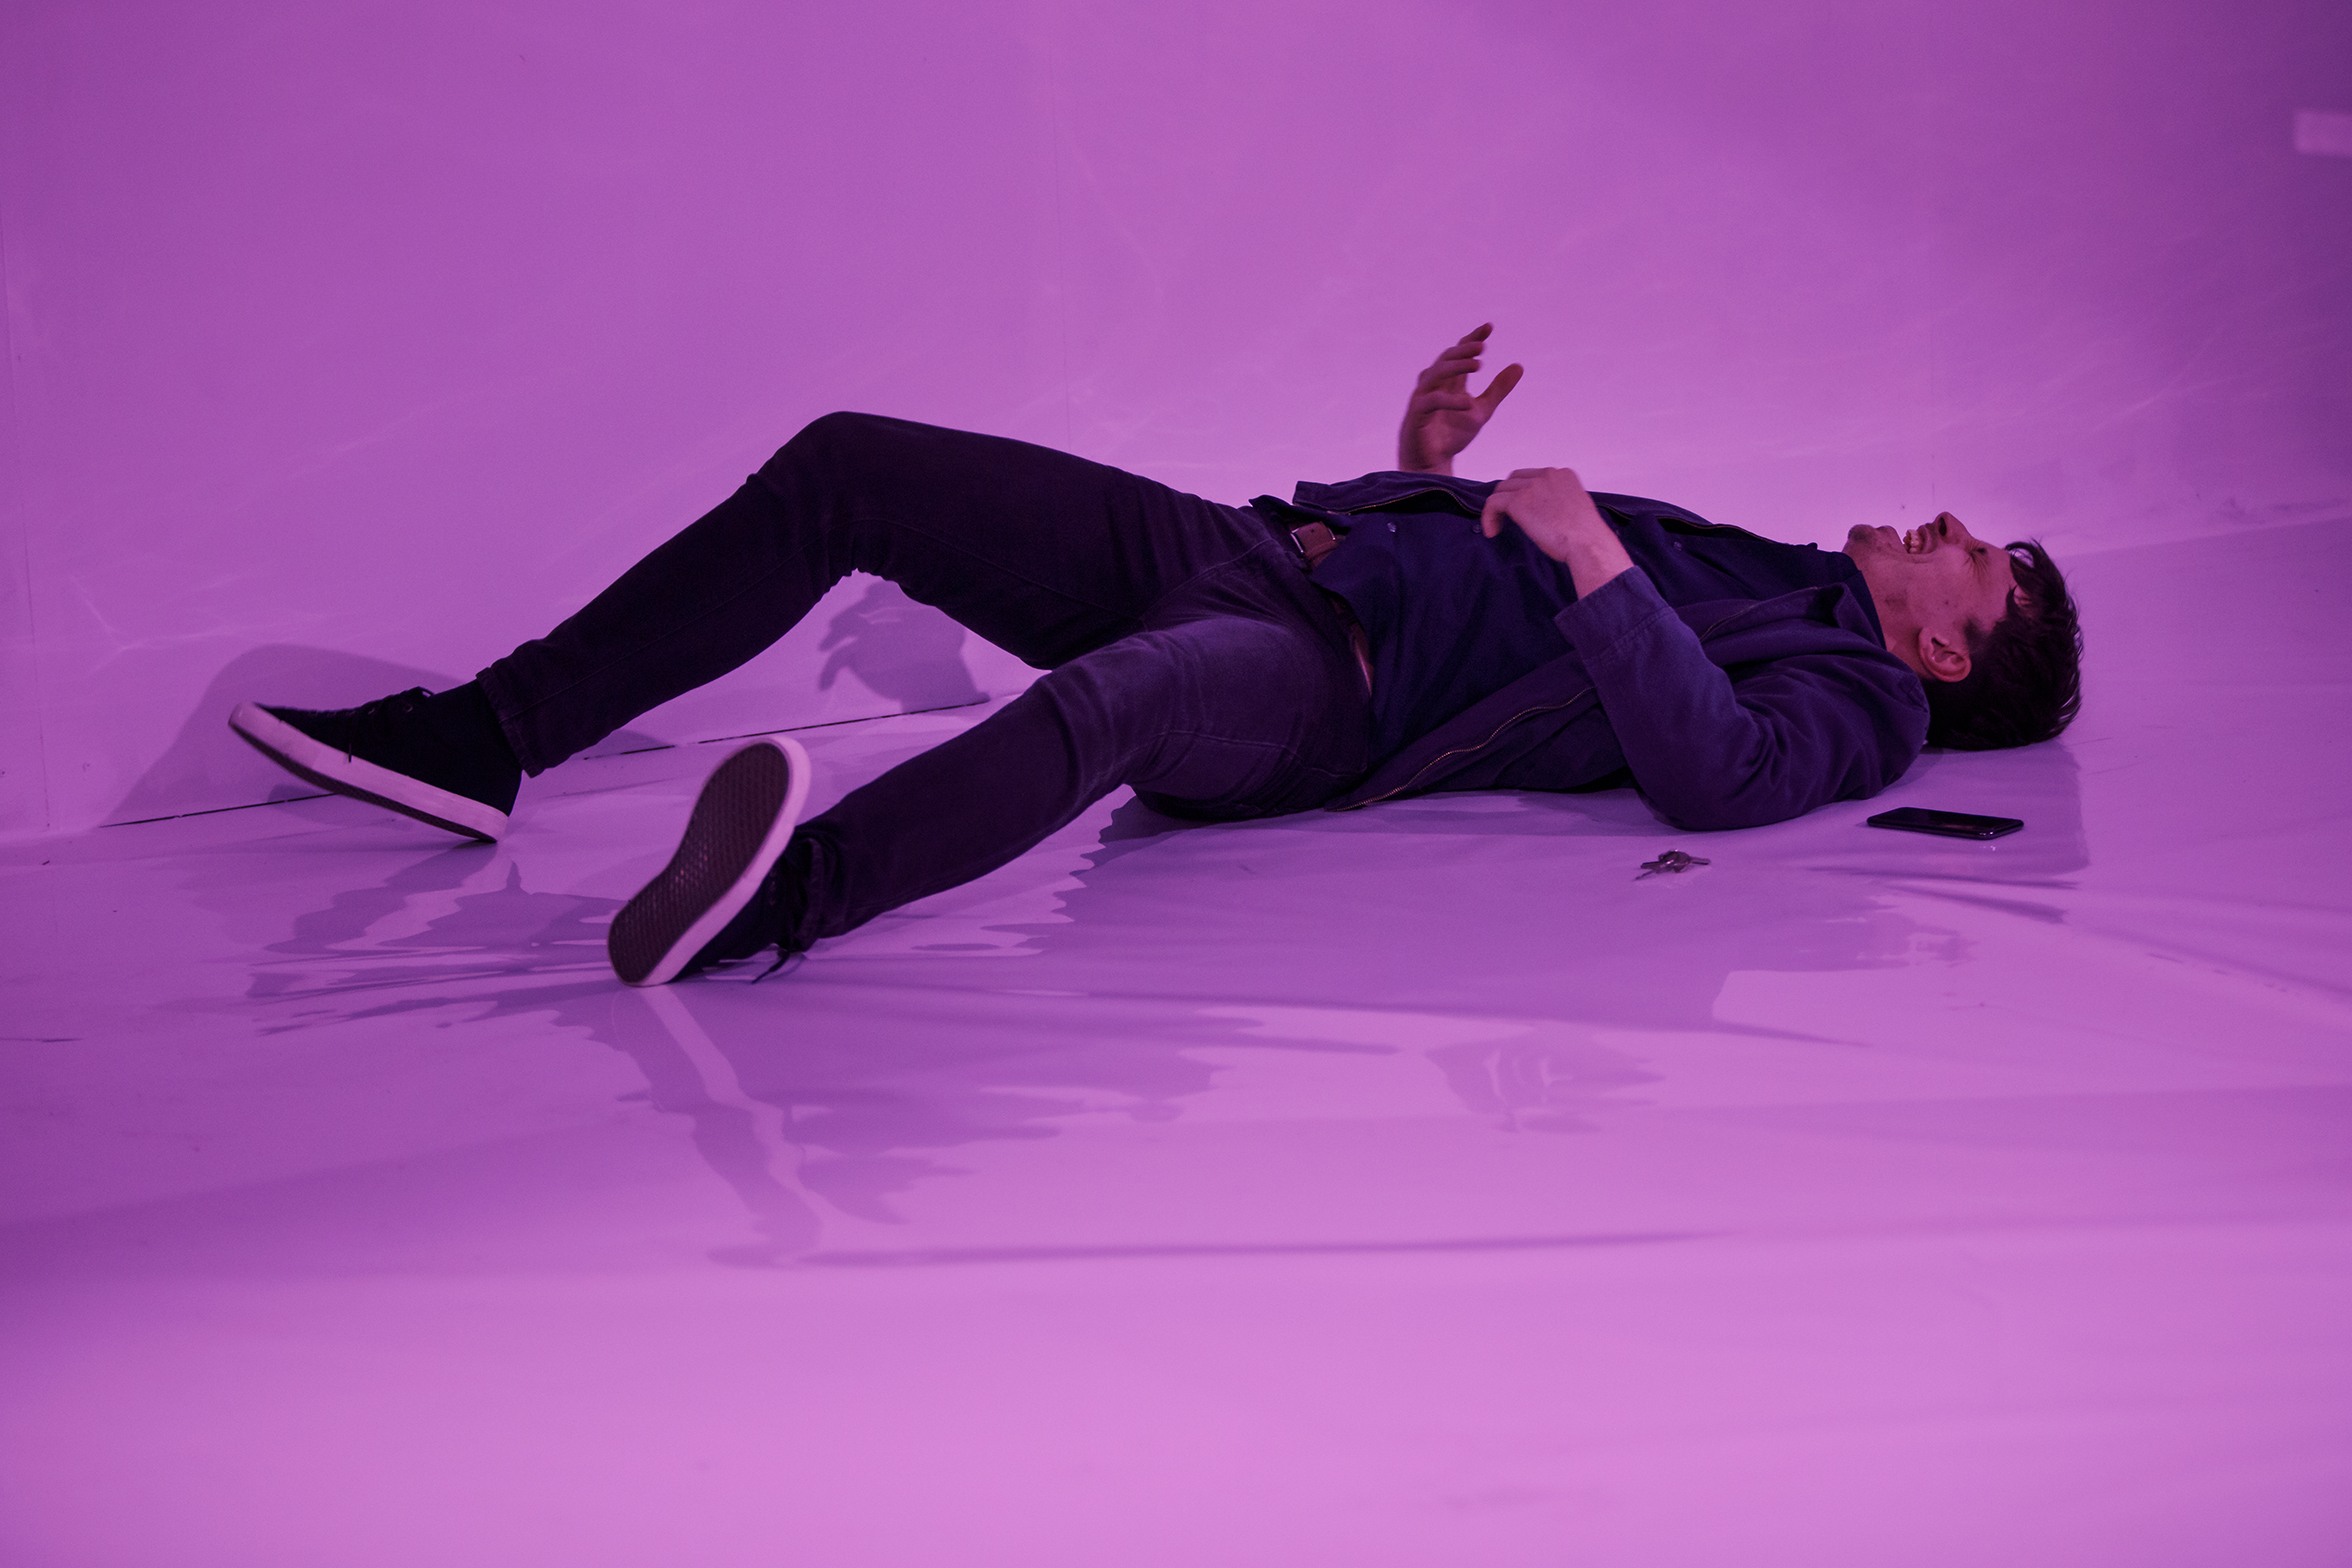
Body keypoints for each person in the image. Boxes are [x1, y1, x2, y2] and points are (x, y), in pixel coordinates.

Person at [230, 326, 2082, 987]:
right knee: (856, 462)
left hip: (1324, 699)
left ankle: (773, 902)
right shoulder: (1782, 564)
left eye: (1973, 560)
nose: (1941, 523)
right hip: (1248, 550)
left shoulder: (1853, 702)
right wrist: (1426, 470)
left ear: (1942, 655)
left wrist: (1587, 537)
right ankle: (486, 737)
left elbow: (1719, 776)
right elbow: (1516, 595)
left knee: (1112, 703)